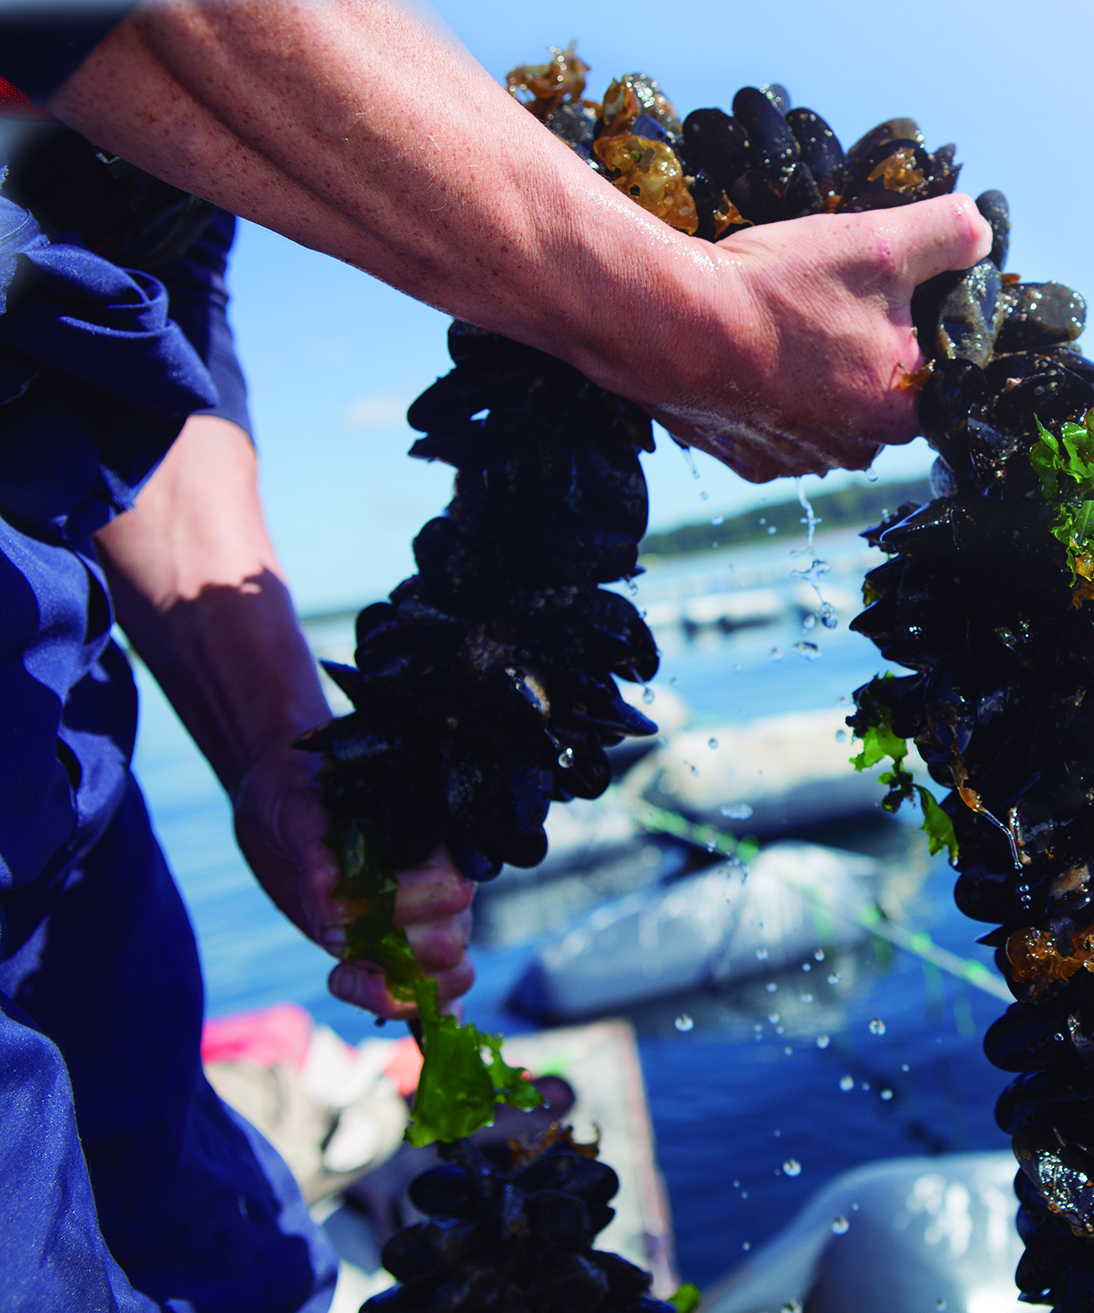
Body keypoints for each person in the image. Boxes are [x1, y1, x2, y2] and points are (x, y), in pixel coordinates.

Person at [0, 2, 991, 1309]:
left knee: (205, 1245)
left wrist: (284, 753)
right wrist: (680, 316)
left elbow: (129, 368)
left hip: (52, 806)